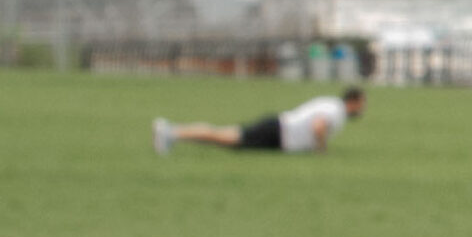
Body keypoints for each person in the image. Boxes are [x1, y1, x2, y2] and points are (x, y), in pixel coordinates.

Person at [154, 87, 363, 156]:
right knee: (221, 137)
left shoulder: (332, 104)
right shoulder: (336, 110)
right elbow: (318, 126)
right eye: (362, 104)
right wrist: (321, 150)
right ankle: (170, 132)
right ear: (353, 101)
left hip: (278, 129)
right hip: (278, 133)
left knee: (221, 135)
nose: (363, 109)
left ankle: (173, 132)